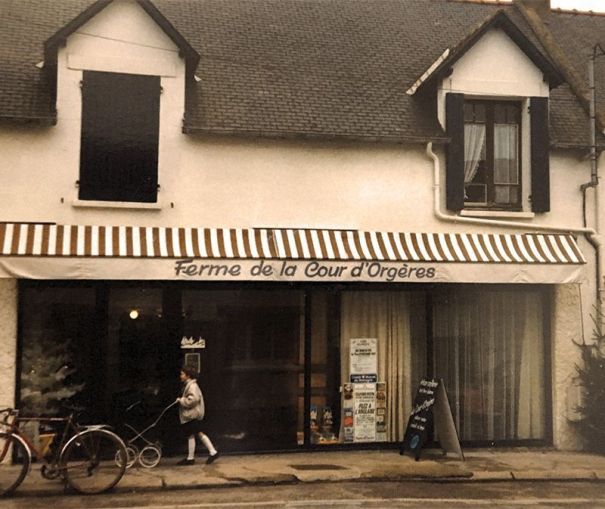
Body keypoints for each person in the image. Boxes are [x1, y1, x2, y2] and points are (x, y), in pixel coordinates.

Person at [175, 364, 219, 465]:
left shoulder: (192, 386)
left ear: (188, 375)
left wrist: (181, 400)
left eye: (182, 374)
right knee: (192, 434)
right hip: (192, 415)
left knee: (197, 433)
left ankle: (212, 452)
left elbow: (193, 400)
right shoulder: (190, 385)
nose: (180, 376)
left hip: (192, 415)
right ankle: (193, 457)